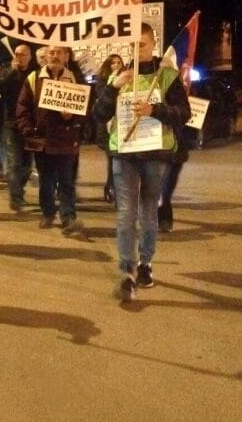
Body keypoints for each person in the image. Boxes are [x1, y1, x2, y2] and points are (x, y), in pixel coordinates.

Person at [93, 23, 191, 301]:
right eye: (133, 45)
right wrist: (112, 88)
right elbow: (99, 115)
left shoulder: (167, 75)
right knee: (125, 214)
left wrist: (154, 110)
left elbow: (183, 112)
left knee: (148, 212)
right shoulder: (119, 76)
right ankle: (127, 272)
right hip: (124, 153)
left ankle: (146, 263)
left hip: (155, 154)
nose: (138, 50)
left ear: (153, 44)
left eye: (143, 45)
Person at [16, 45, 85, 235]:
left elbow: (85, 107)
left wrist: (72, 117)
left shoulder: (75, 78)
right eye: (51, 53)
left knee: (66, 181)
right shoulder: (33, 78)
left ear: (66, 56)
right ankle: (48, 212)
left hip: (66, 139)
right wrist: (30, 131)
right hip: (43, 141)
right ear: (45, 57)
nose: (55, 56)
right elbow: (23, 108)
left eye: (59, 53)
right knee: (46, 181)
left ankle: (68, 217)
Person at [0, 44, 34, 211]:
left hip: (30, 124)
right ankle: (15, 197)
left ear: (30, 57)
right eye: (17, 53)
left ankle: (18, 190)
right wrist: (11, 71)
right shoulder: (8, 71)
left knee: (27, 164)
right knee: (14, 163)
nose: (19, 56)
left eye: (23, 54)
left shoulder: (34, 74)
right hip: (11, 123)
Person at [95, 54, 125, 203]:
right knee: (112, 158)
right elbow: (102, 98)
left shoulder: (127, 78)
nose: (116, 65)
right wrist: (112, 83)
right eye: (113, 63)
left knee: (117, 160)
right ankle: (111, 188)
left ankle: (114, 188)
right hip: (107, 128)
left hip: (121, 124)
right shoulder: (102, 81)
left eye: (119, 62)